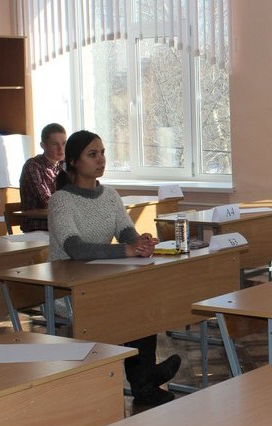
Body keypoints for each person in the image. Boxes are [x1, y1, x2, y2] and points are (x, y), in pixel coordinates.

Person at [48, 130, 180, 406]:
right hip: (70, 290)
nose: (101, 160)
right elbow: (75, 249)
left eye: (103, 153)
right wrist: (126, 250)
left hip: (102, 281)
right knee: (127, 304)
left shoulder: (110, 195)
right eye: (92, 154)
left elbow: (126, 232)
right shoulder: (61, 200)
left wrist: (140, 243)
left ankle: (144, 381)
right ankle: (145, 380)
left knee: (140, 297)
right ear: (73, 161)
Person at [19, 123, 66, 232]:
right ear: (43, 145)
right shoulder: (32, 167)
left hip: (60, 226)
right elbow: (48, 202)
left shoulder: (63, 165)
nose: (61, 149)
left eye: (64, 144)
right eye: (55, 144)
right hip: (38, 228)